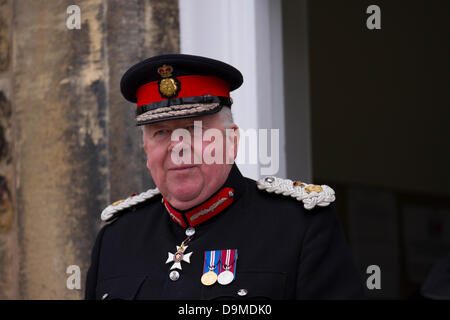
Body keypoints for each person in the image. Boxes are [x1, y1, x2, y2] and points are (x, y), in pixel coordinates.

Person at [85, 53, 365, 300]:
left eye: (194, 129)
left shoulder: (299, 228)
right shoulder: (116, 238)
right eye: (160, 132)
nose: (178, 146)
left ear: (231, 140)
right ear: (146, 149)